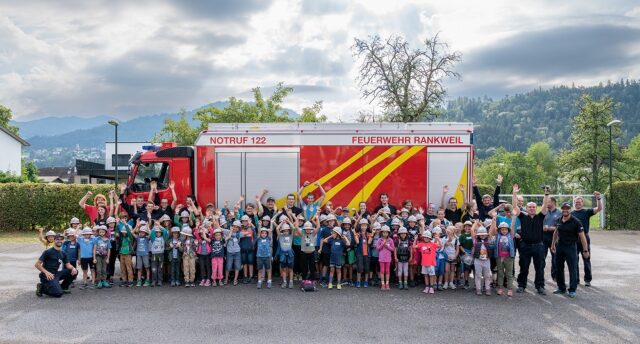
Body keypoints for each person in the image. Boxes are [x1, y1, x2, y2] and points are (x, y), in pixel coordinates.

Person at [512, 184, 549, 295]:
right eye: (530, 207)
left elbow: (545, 204)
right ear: (526, 209)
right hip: (525, 246)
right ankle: (521, 285)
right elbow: (514, 206)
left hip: (538, 246)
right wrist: (514, 194)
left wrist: (546, 194)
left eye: (533, 207)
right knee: (524, 267)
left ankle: (540, 286)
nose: (532, 208)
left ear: (536, 208)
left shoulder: (540, 216)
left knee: (540, 268)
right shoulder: (522, 216)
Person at [552, 202, 590, 298]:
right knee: (559, 267)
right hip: (560, 246)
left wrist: (585, 250)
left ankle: (572, 289)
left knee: (572, 268)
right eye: (563, 208)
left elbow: (582, 237)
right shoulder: (559, 220)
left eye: (567, 208)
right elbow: (556, 232)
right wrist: (553, 244)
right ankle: (561, 287)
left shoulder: (576, 221)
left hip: (571, 247)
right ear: (561, 209)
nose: (565, 210)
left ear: (570, 210)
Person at [571, 192, 602, 287]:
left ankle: (587, 280)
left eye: (579, 202)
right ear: (574, 203)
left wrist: (598, 199)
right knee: (574, 260)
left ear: (582, 203)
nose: (578, 203)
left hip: (585, 238)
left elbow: (599, 209)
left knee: (586, 259)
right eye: (576, 202)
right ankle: (576, 280)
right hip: (574, 239)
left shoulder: (586, 212)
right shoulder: (571, 214)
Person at [35, 233, 78, 297]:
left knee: (74, 272)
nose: (59, 241)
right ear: (54, 240)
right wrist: (46, 272)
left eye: (61, 239)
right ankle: (41, 287)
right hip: (48, 276)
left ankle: (63, 287)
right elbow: (37, 264)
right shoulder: (48, 252)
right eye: (57, 239)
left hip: (56, 274)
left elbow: (68, 265)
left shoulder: (63, 253)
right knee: (58, 293)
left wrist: (73, 268)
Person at [470, 221, 494, 296]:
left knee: (487, 275)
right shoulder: (475, 240)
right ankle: (478, 289)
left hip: (487, 260)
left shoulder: (488, 239)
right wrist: (476, 223)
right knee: (478, 275)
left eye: (484, 234)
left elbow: (492, 230)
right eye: (481, 234)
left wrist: (493, 220)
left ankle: (487, 289)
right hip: (478, 260)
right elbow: (472, 230)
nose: (483, 236)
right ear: (478, 235)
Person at [495, 219, 516, 297]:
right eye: (502, 229)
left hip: (508, 257)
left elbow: (512, 227)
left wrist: (513, 218)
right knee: (500, 273)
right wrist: (494, 219)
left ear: (508, 230)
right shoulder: (497, 236)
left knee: (509, 274)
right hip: (499, 257)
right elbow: (493, 231)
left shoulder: (510, 236)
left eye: (505, 229)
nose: (504, 231)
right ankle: (500, 288)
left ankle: (510, 289)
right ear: (499, 230)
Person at [543, 197, 561, 281]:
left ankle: (555, 276)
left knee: (555, 258)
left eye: (548, 202)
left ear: (553, 202)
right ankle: (540, 275)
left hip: (555, 238)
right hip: (544, 237)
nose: (546, 203)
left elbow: (561, 227)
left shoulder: (559, 213)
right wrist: (542, 227)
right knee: (541, 257)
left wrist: (551, 228)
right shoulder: (544, 212)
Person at [414, 230, 437, 294]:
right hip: (424, 263)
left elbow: (440, 246)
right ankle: (427, 287)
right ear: (423, 237)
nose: (426, 238)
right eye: (425, 237)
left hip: (431, 263)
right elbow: (414, 246)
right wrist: (415, 240)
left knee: (431, 275)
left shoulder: (432, 244)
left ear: (430, 238)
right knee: (426, 275)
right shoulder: (421, 244)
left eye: (427, 237)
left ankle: (431, 287)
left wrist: (437, 239)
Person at [354, 218, 372, 288]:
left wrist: (372, 235)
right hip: (360, 253)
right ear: (360, 226)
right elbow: (357, 242)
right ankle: (358, 281)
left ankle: (366, 281)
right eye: (362, 225)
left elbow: (369, 242)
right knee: (359, 268)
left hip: (367, 254)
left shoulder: (369, 234)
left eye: (365, 225)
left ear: (367, 226)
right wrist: (354, 234)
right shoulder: (358, 234)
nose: (363, 227)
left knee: (367, 269)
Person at [376, 225, 395, 291]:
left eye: (386, 232)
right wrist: (382, 244)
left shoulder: (390, 240)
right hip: (381, 258)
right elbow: (377, 248)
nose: (385, 234)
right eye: (383, 232)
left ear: (388, 233)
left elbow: (393, 249)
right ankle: (383, 284)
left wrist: (386, 246)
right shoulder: (379, 240)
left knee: (387, 271)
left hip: (388, 258)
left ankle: (387, 284)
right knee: (382, 271)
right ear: (381, 233)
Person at [132, 223, 152, 287]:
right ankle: (139, 280)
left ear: (145, 233)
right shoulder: (137, 237)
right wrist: (136, 226)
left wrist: (148, 227)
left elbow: (151, 234)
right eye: (140, 232)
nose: (141, 233)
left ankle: (148, 280)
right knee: (139, 268)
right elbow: (132, 232)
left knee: (147, 268)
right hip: (139, 255)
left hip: (145, 254)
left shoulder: (147, 238)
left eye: (143, 232)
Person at [224, 220, 242, 286]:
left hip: (237, 252)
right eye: (234, 226)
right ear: (232, 226)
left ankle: (235, 279)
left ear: (239, 228)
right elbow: (219, 228)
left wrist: (249, 224)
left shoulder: (239, 234)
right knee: (228, 266)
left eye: (237, 227)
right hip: (229, 252)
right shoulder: (227, 232)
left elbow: (249, 232)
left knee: (237, 266)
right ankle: (226, 279)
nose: (235, 228)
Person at [194, 221, 213, 287]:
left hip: (208, 255)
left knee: (208, 267)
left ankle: (208, 279)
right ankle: (203, 279)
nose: (202, 235)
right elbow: (196, 233)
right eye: (201, 234)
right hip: (201, 255)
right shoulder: (199, 239)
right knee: (202, 267)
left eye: (204, 233)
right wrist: (197, 226)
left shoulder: (208, 239)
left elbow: (212, 232)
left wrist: (209, 226)